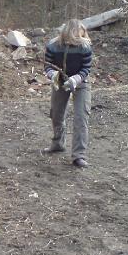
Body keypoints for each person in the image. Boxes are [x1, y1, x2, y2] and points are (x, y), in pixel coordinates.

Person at [42, 18, 93, 168]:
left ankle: (79, 155)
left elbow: (86, 68)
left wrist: (76, 79)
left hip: (81, 82)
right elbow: (48, 65)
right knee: (56, 113)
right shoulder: (53, 45)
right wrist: (53, 76)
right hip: (60, 81)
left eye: (82, 36)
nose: (80, 39)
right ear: (68, 34)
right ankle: (58, 143)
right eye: (77, 37)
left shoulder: (85, 46)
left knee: (81, 117)